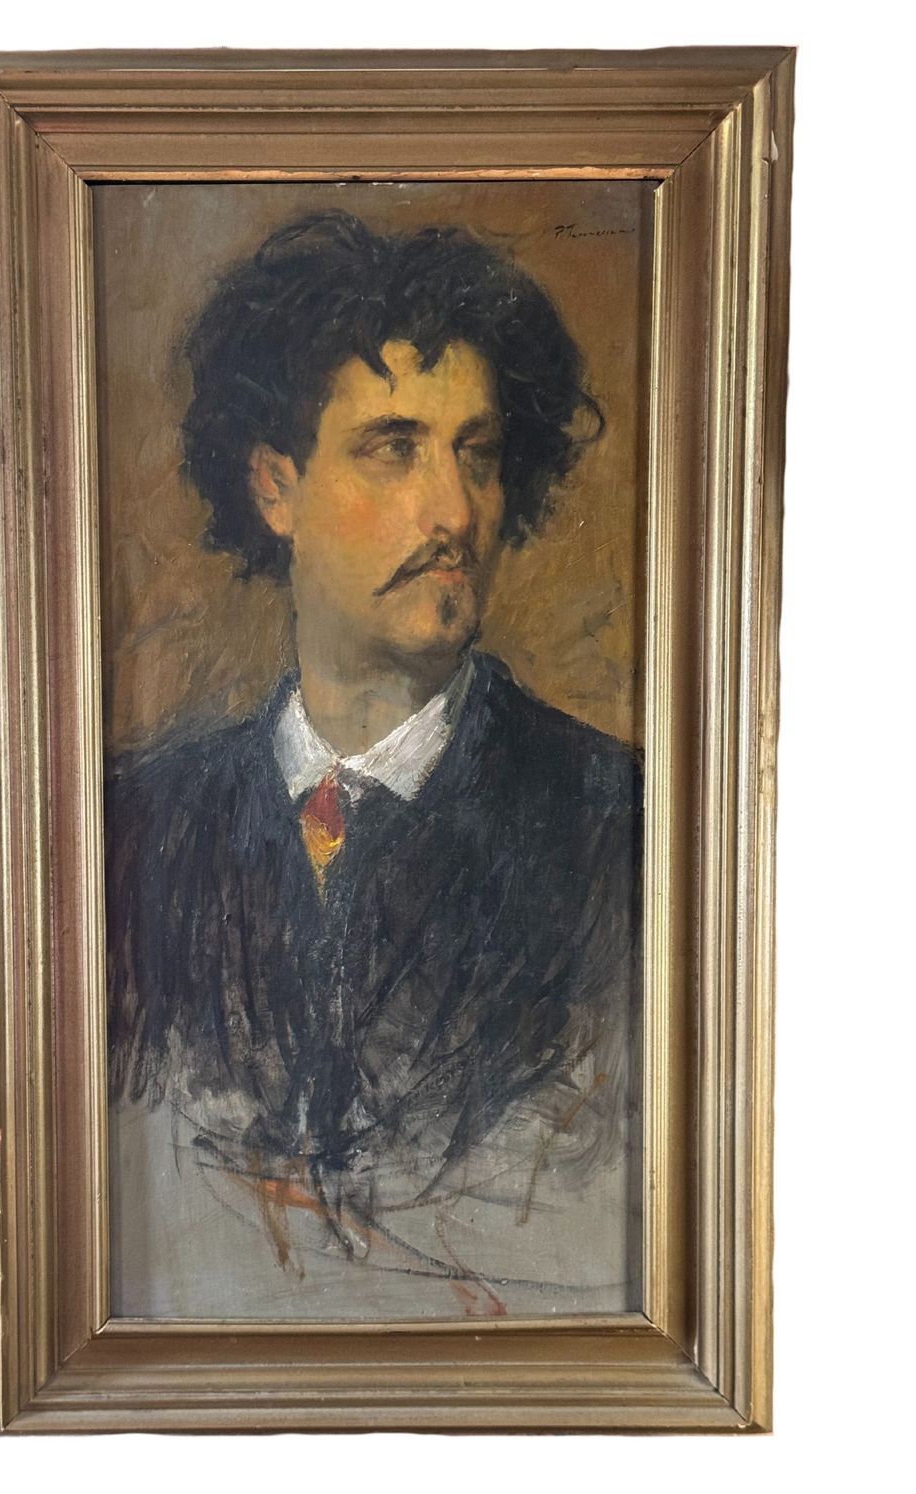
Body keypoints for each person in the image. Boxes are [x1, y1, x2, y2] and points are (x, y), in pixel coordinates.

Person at [105, 212, 641, 1318]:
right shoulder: (130, 830)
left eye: (476, 455)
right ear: (275, 488)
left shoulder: (626, 828)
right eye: (393, 448)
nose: (452, 512)